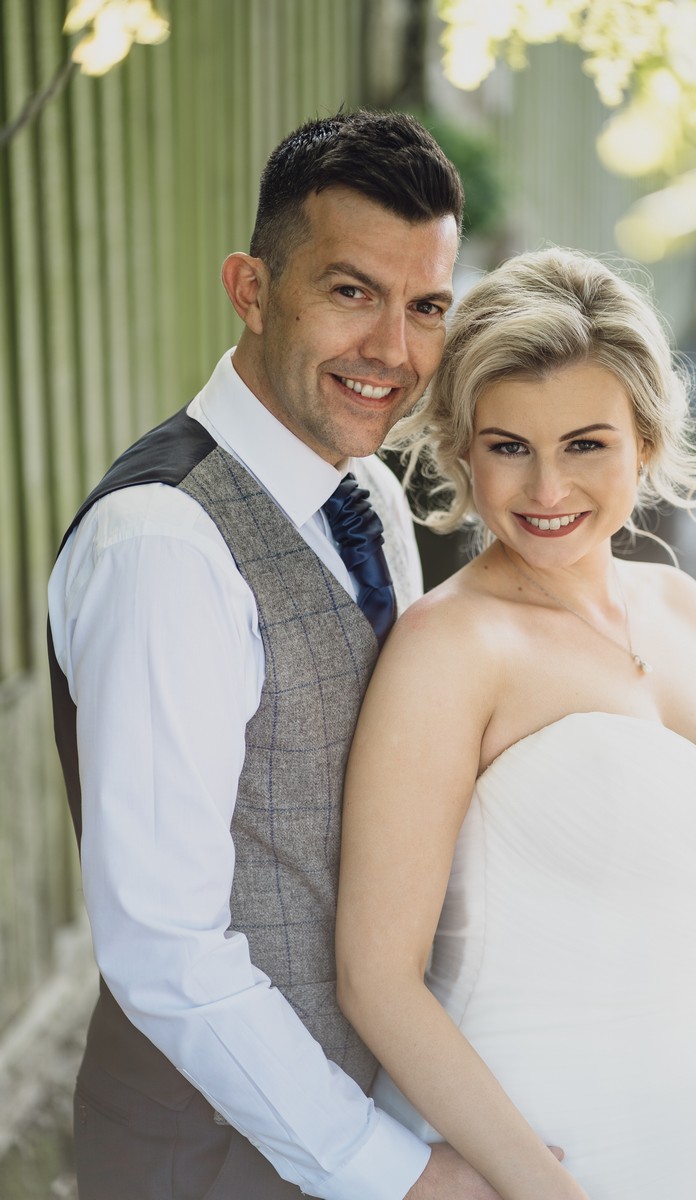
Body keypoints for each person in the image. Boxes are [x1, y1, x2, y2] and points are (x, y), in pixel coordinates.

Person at [46, 110, 506, 1199]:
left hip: (365, 1112)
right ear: (251, 290)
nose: (392, 351)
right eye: (351, 291)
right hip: (211, 1158)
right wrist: (392, 1173)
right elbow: (166, 946)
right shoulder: (164, 542)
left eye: (425, 307)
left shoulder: (369, 497)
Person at [336, 247, 696, 1200]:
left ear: (646, 441)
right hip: (543, 1149)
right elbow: (376, 977)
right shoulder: (447, 650)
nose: (546, 491)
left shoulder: (684, 608)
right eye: (510, 447)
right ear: (465, 450)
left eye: (585, 445)